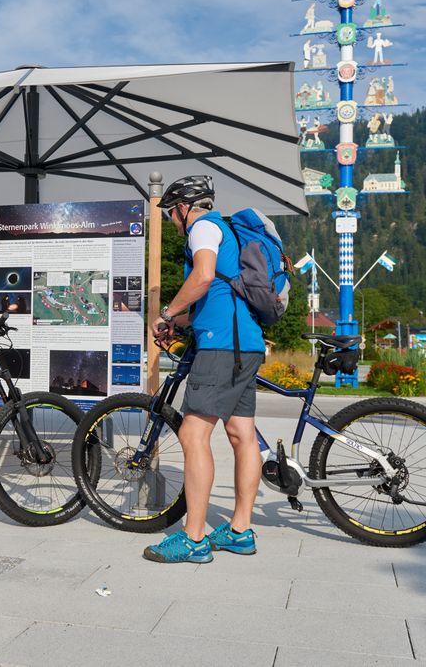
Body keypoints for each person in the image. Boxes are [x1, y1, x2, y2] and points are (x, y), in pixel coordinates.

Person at [145, 175, 266, 564]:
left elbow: (204, 277)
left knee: (192, 434)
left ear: (183, 207)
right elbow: (216, 294)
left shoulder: (204, 228)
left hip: (221, 347)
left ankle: (193, 538)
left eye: (170, 214)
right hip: (244, 342)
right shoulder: (225, 230)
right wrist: (179, 324)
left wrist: (166, 312)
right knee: (241, 433)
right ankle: (239, 530)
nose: (171, 221)